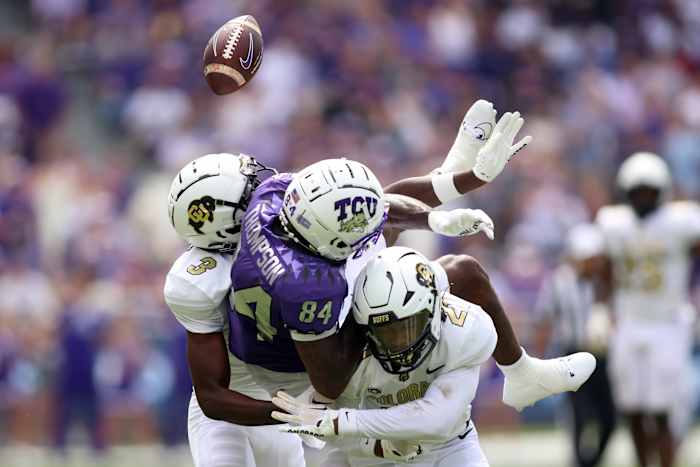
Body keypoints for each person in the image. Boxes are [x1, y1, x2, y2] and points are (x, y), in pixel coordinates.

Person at [270, 246, 497, 466]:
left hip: (448, 449)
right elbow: (319, 428)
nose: (397, 343)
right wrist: (374, 446)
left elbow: (438, 420)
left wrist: (343, 421)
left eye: (406, 327)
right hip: (368, 458)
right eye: (385, 332)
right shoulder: (347, 357)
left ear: (432, 309)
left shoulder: (465, 331)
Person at [595, 152, 700, 467]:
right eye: (637, 191)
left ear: (663, 191)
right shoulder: (614, 223)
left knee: (662, 410)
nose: (642, 198)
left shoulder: (680, 221)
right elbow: (605, 266)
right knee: (632, 408)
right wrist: (602, 308)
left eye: (648, 191)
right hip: (628, 321)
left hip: (668, 321)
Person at [534, 224, 616, 467]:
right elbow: (545, 320)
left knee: (609, 418)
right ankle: (581, 462)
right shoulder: (559, 282)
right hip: (572, 355)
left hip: (602, 357)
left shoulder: (605, 281)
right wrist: (539, 363)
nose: (594, 263)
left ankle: (591, 462)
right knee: (580, 417)